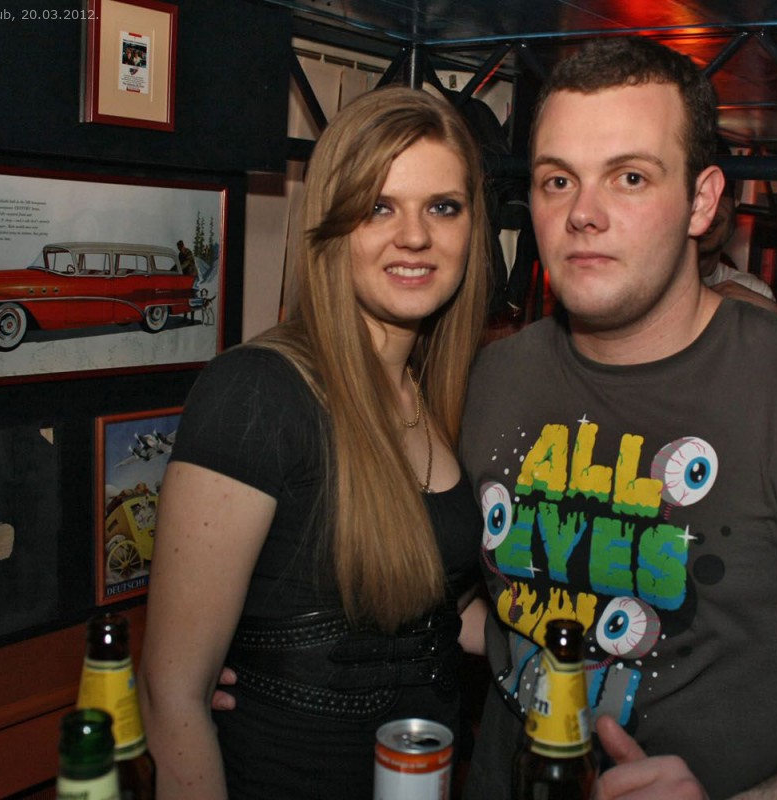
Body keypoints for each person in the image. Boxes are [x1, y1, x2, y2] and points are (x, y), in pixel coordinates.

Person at [459, 37, 777, 800]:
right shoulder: (494, 377)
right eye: (558, 180)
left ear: (702, 200)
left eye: (629, 177)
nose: (583, 214)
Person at [139, 86, 491, 799]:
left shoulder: (436, 395)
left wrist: (586, 638)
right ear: (331, 227)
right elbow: (172, 695)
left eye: (442, 207)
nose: (415, 237)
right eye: (379, 207)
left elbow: (439, 612)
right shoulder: (257, 394)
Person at [697, 177, 777, 310]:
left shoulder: (751, 291)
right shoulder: (659, 286)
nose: (709, 208)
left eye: (721, 191)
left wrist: (772, 318)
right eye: (696, 193)